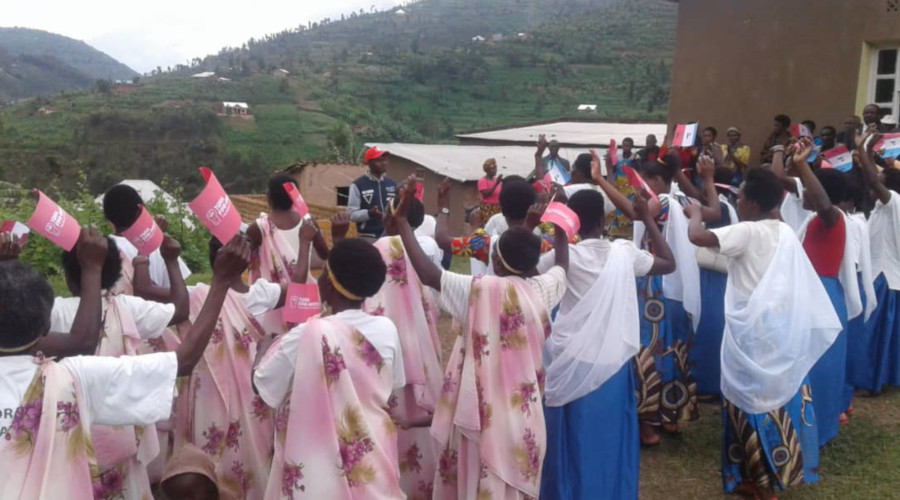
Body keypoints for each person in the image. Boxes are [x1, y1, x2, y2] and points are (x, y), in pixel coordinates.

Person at [0, 235, 249, 499]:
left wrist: (7, 275)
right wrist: (219, 281)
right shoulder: (74, 379)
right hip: (116, 456)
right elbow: (183, 357)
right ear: (45, 326)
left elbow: (80, 339)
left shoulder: (65, 334)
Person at [392, 176, 569, 500]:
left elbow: (431, 272)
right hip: (523, 414)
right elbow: (561, 265)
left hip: (479, 415)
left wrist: (402, 222)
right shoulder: (544, 289)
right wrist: (558, 223)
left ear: (496, 261)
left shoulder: (478, 290)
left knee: (475, 481)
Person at [685, 168, 840, 500]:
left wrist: (695, 214)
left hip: (749, 334)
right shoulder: (784, 231)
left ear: (753, 204)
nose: (737, 202)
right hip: (777, 329)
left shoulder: (748, 231)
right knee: (775, 397)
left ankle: (763, 484)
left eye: (740, 197)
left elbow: (697, 238)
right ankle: (759, 475)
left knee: (748, 402)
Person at [539, 180, 676, 500]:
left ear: (573, 221)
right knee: (609, 440)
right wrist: (647, 219)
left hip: (572, 362)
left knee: (572, 442)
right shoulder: (624, 253)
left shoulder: (562, 257)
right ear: (604, 221)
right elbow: (669, 264)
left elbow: (524, 271)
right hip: (612, 365)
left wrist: (551, 221)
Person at [253, 239, 406, 499]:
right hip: (372, 458)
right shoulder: (387, 330)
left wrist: (261, 352)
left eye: (323, 271)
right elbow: (392, 387)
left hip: (318, 467)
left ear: (328, 283)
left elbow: (262, 386)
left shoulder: (307, 335)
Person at [52, 234, 190, 499]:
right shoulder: (127, 307)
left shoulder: (55, 312)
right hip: (123, 441)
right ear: (117, 273)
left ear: (68, 278)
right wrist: (171, 262)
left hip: (72, 442)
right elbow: (181, 309)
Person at [184, 232, 297, 499]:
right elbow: (300, 288)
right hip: (254, 394)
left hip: (211, 399)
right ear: (247, 260)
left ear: (213, 260)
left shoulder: (195, 296)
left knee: (212, 460)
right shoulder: (262, 293)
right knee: (254, 456)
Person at [362, 197, 444, 498]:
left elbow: (368, 294)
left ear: (387, 216)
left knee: (388, 414)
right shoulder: (417, 248)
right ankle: (424, 484)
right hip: (416, 338)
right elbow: (428, 300)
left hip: (382, 339)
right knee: (417, 415)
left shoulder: (377, 249)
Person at [774, 139, 850, 446]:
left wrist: (803, 165)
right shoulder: (811, 221)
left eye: (809, 189)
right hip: (809, 294)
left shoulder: (833, 219)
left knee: (820, 365)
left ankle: (816, 430)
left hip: (823, 298)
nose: (803, 194)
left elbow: (821, 200)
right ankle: (803, 422)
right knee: (805, 362)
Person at [856, 129, 900, 394]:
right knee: (882, 334)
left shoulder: (893, 201)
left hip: (884, 276)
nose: (873, 187)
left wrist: (863, 150)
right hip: (884, 275)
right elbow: (874, 177)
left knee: (871, 334)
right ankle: (880, 377)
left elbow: (873, 180)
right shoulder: (886, 207)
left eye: (881, 181)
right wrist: (871, 156)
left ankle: (869, 381)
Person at [102, 183, 192, 292]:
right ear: (140, 211)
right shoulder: (163, 245)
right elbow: (179, 289)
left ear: (109, 220)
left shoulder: (104, 250)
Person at [247, 174, 329, 287]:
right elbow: (325, 254)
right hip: (304, 295)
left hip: (271, 298)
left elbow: (242, 259)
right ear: (295, 196)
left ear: (268, 196)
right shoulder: (308, 223)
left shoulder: (258, 228)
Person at [348, 146, 398, 240]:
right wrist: (369, 213)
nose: (383, 163)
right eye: (379, 160)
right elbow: (352, 214)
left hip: (390, 236)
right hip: (368, 237)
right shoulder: (358, 185)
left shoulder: (392, 184)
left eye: (384, 160)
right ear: (369, 163)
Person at [605, 137, 639, 240]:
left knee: (626, 208)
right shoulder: (618, 158)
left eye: (628, 146)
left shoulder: (635, 159)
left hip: (629, 189)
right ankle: (615, 233)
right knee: (616, 208)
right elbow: (612, 170)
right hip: (618, 187)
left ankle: (628, 233)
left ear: (631, 146)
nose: (625, 148)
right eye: (624, 145)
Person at [478, 158, 503, 225]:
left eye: (496, 168)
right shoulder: (483, 181)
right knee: (489, 226)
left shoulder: (496, 180)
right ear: (487, 170)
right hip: (488, 208)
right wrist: (496, 184)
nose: (495, 170)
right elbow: (485, 195)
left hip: (498, 207)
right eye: (493, 168)